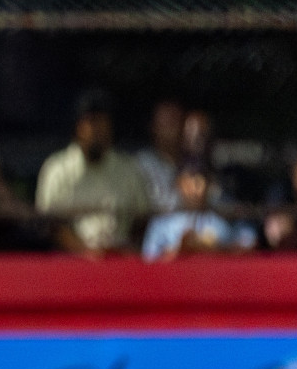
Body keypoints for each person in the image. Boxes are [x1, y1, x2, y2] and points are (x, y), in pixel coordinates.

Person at [35, 90, 152, 256]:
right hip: (73, 263)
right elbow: (50, 224)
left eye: (102, 122)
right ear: (78, 127)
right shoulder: (57, 169)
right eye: (90, 122)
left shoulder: (128, 169)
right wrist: (85, 252)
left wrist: (125, 250)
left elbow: (143, 219)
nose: (97, 130)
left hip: (119, 260)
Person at [141, 164, 255, 261]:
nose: (193, 191)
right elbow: (149, 260)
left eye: (198, 184)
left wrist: (213, 248)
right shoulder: (161, 224)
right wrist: (178, 250)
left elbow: (238, 249)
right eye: (187, 185)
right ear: (178, 185)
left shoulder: (219, 224)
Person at [136, 99, 185, 213]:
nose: (173, 127)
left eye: (177, 120)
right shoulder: (141, 163)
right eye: (167, 121)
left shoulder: (193, 162)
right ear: (153, 127)